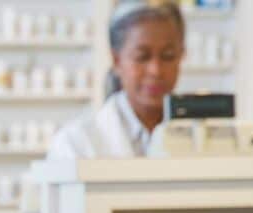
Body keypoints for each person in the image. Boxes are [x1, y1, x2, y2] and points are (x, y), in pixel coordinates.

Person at [47, 1, 185, 159]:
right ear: (117, 60)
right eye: (142, 57)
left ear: (182, 55)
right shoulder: (75, 143)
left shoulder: (205, 137)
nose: (155, 70)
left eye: (167, 56)